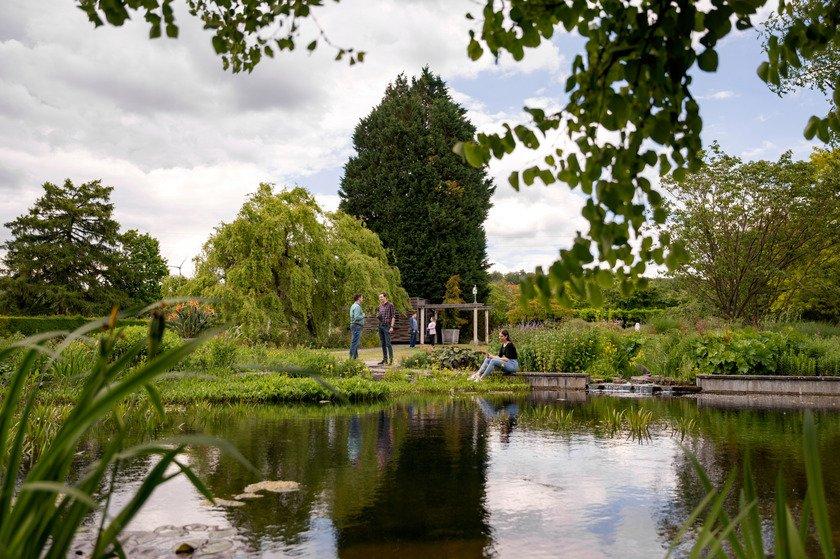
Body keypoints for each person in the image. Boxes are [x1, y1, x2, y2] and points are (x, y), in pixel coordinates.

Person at [377, 292, 395, 365]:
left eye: (381, 297)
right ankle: (385, 359)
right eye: (379, 297)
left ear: (385, 297)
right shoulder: (380, 306)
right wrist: (378, 316)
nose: (380, 298)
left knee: (388, 343)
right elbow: (379, 315)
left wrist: (391, 327)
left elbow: (393, 316)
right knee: (383, 343)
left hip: (387, 326)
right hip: (380, 325)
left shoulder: (390, 305)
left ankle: (391, 359)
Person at [349, 294, 365, 359]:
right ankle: (351, 358)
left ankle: (355, 358)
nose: (362, 299)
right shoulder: (357, 307)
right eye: (362, 298)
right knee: (355, 342)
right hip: (357, 326)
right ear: (359, 298)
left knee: (354, 341)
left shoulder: (353, 306)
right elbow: (356, 317)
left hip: (354, 325)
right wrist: (363, 315)